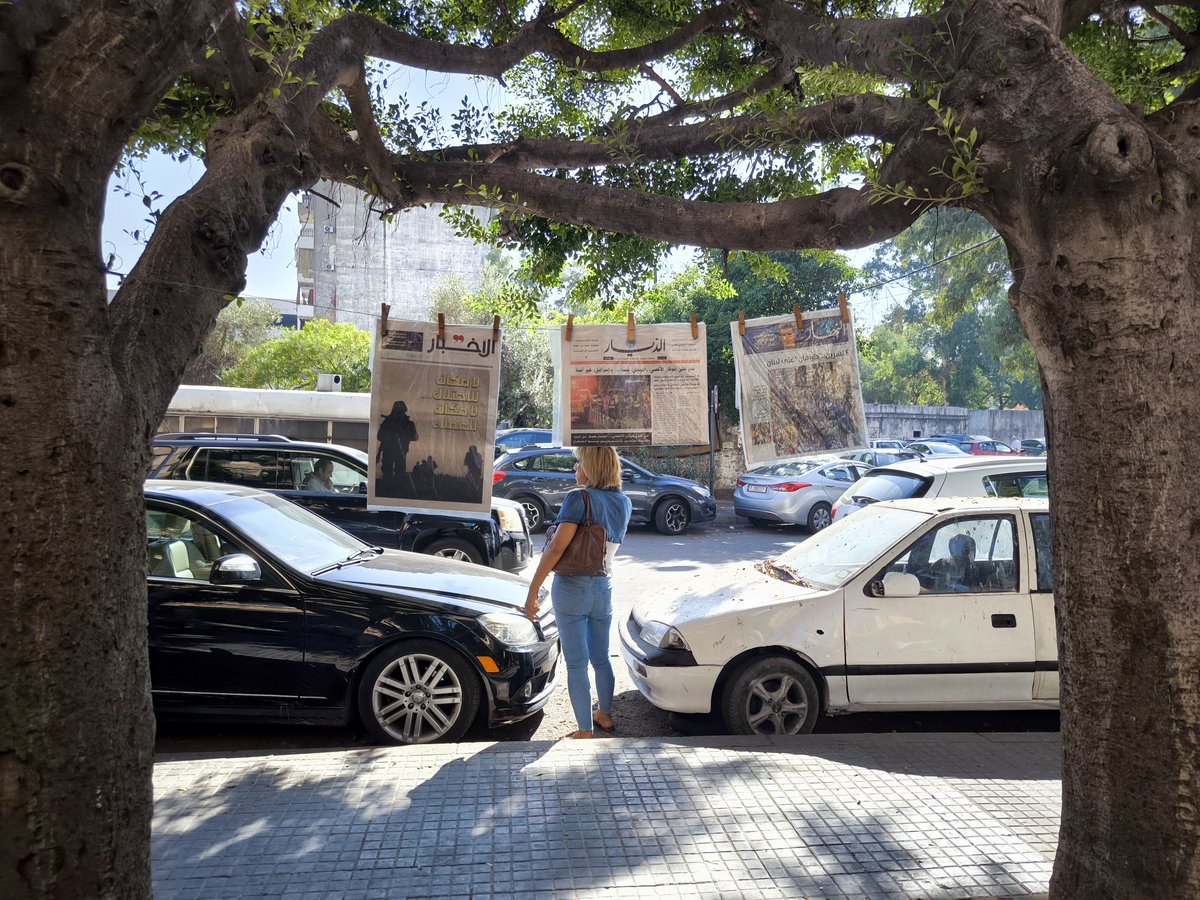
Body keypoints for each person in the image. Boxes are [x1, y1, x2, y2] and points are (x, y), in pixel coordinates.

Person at [524, 446, 632, 739]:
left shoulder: (578, 498)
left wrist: (533, 589)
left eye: (579, 463)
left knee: (576, 662)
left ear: (591, 466)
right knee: (601, 657)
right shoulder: (624, 502)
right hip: (604, 587)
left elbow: (556, 547)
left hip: (572, 587)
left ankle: (585, 730)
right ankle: (605, 715)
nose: (576, 469)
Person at [376, 400, 417, 488]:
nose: (398, 414)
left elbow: (415, 437)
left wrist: (404, 433)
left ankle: (396, 489)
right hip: (388, 451)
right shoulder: (387, 423)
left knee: (399, 473)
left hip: (401, 452)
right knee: (387, 473)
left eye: (400, 411)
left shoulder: (409, 424)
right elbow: (379, 437)